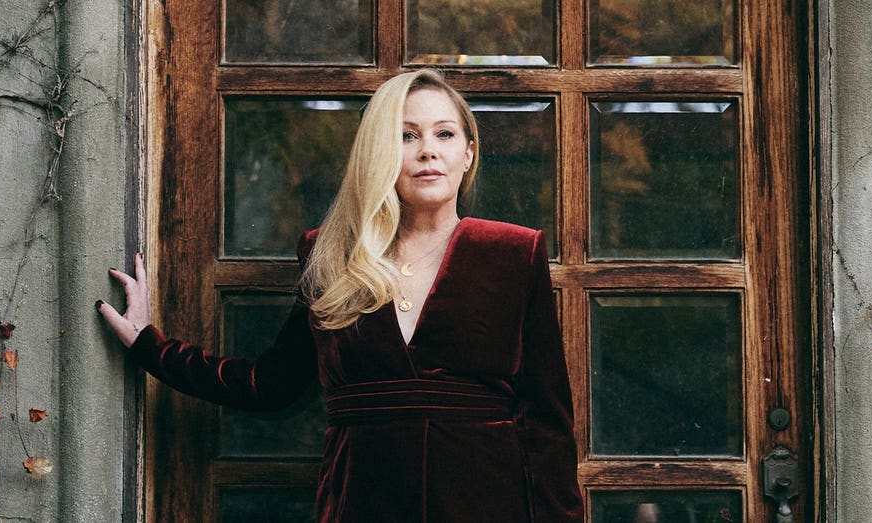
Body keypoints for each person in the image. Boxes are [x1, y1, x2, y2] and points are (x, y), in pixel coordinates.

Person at [98, 69, 583, 522]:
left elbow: (548, 425)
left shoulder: (514, 253)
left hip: (488, 503)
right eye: (406, 136)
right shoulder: (330, 255)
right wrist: (149, 344)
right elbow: (269, 384)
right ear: (379, 152)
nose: (428, 151)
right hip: (361, 504)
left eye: (444, 134)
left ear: (468, 153)